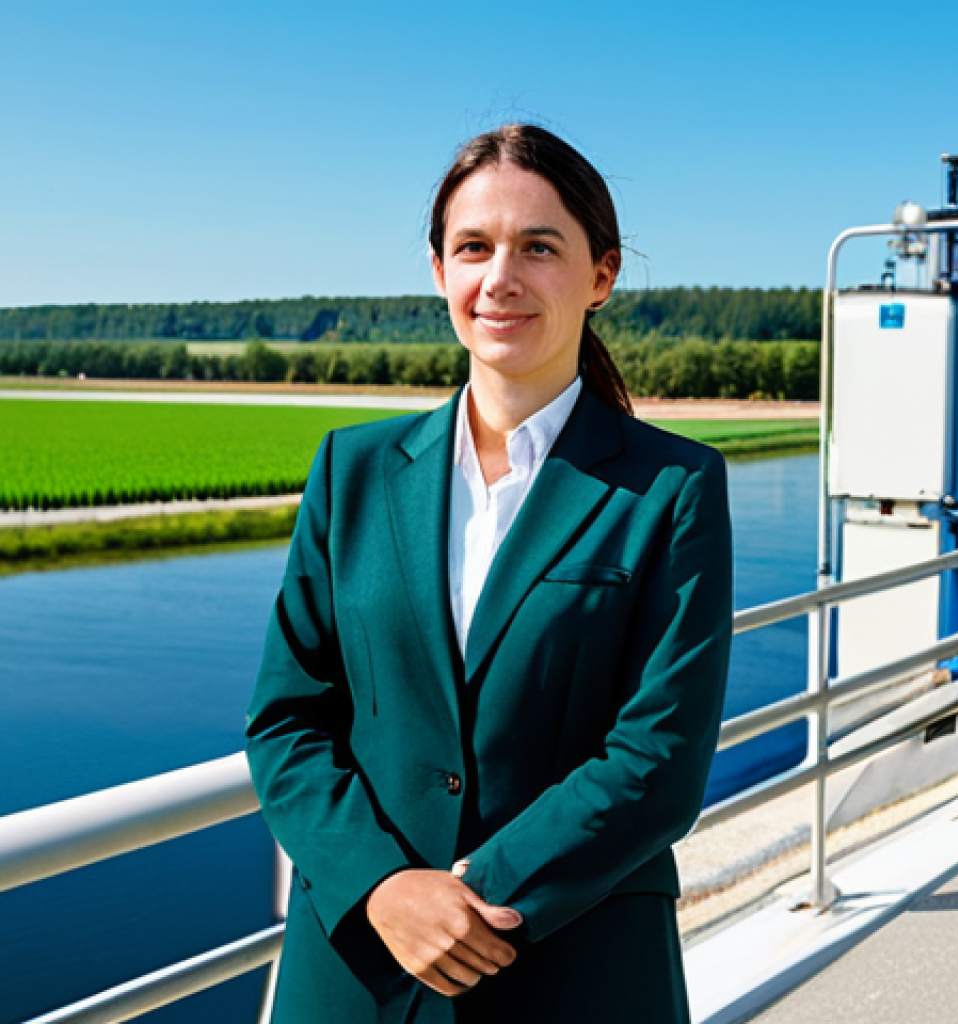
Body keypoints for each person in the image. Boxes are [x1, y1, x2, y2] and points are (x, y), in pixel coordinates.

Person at [245, 123, 733, 1024]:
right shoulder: (352, 471)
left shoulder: (673, 487)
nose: (500, 278)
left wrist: (472, 896)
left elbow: (660, 755)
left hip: (574, 968)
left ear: (601, 275)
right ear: (440, 271)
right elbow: (287, 718)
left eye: (538, 247)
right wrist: (385, 888)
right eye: (473, 247)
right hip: (361, 967)